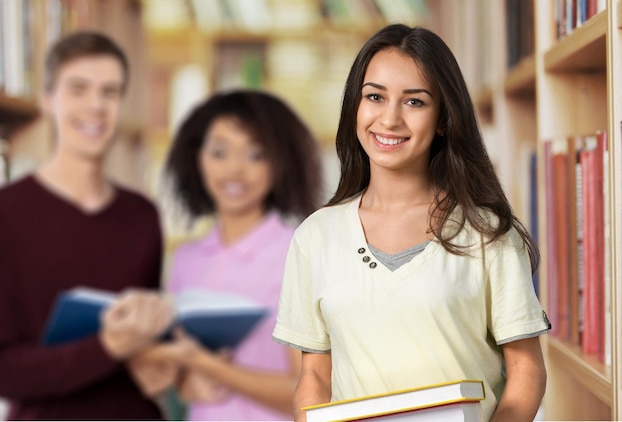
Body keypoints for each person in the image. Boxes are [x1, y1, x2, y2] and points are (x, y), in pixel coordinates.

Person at [272, 24, 551, 422]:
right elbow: (315, 374)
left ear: (442, 118)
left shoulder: (488, 232)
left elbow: (526, 369)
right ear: (356, 105)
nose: (389, 119)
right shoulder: (315, 237)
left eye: (414, 102)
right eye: (374, 97)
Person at [0, 31, 174, 420]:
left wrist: (163, 362)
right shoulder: (6, 214)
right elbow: (5, 371)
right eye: (78, 89)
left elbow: (144, 345)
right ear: (48, 100)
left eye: (109, 92)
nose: (95, 105)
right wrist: (108, 346)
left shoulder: (143, 215)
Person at [130, 89, 323, 420]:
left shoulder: (299, 252)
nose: (234, 169)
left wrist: (209, 367)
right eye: (219, 152)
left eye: (256, 154)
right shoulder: (186, 259)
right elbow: (175, 370)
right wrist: (184, 381)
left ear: (280, 162)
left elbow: (312, 397)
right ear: (197, 157)